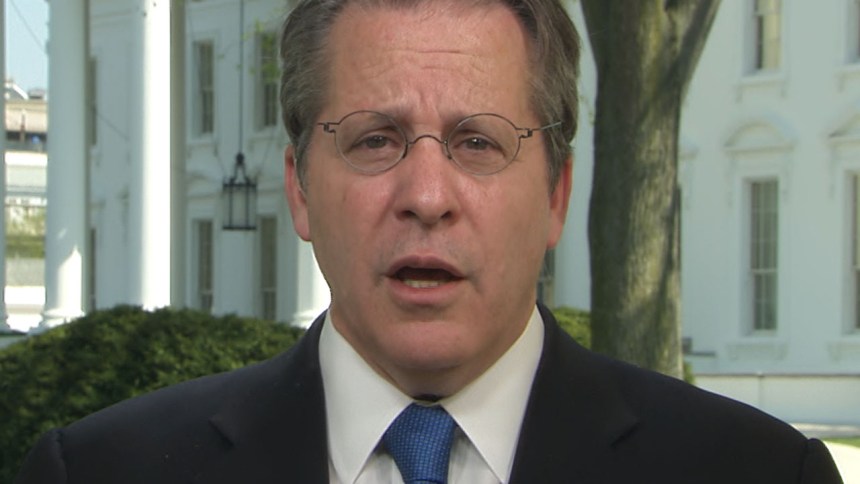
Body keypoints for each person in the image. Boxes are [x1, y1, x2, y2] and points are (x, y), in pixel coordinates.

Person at [15, 0, 844, 483]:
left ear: (555, 193)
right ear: (300, 188)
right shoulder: (102, 473)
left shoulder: (754, 474)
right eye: (375, 139)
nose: (426, 196)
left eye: (478, 142)